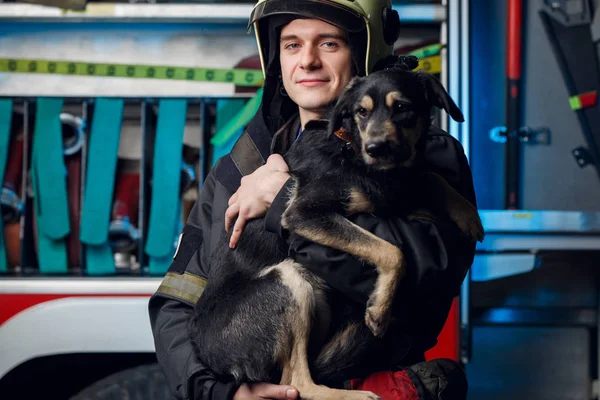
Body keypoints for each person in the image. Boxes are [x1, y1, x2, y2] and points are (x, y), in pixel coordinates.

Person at [148, 0, 478, 399]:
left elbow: (423, 283)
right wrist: (224, 395)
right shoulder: (239, 167)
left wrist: (281, 201)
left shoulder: (427, 156)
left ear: (363, 52)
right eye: (291, 45)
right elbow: (179, 302)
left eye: (329, 44)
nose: (307, 61)